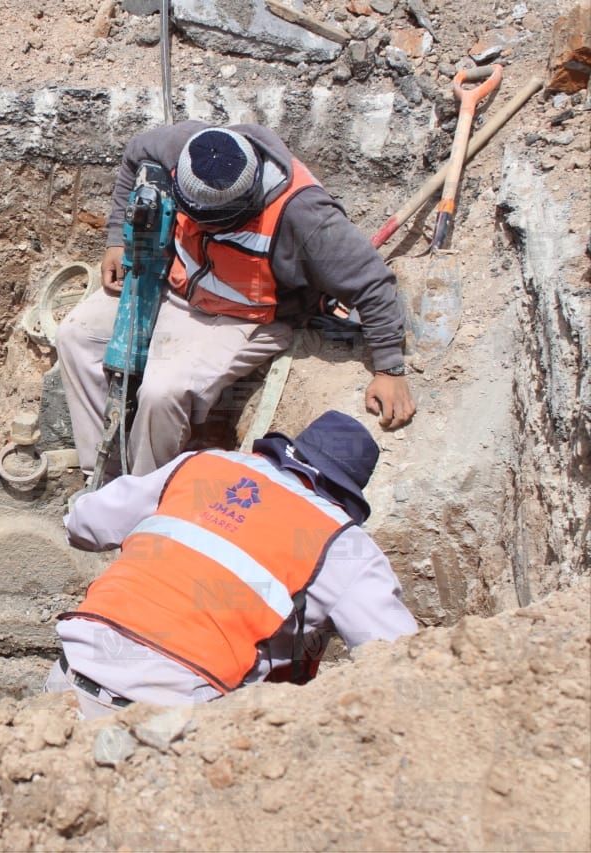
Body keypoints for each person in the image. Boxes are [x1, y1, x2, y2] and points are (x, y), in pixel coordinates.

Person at [57, 122, 416, 478]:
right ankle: (101, 478)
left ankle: (140, 494)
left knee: (162, 391)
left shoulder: (305, 216)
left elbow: (374, 283)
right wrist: (118, 238)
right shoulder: (188, 148)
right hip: (173, 283)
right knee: (76, 337)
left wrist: (389, 369)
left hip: (250, 317)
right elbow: (138, 151)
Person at [47, 411, 417, 719]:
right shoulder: (345, 544)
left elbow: (84, 524)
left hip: (66, 683)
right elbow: (406, 663)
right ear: (345, 495)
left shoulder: (203, 465)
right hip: (168, 714)